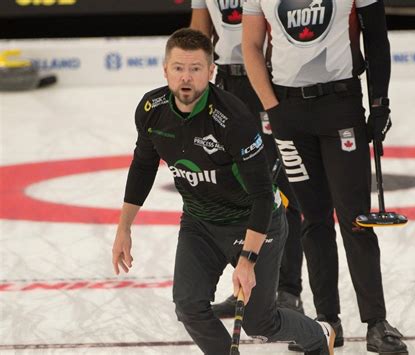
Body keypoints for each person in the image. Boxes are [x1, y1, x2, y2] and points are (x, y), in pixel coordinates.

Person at [111, 28, 335, 355]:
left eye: (196, 68)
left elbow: (261, 194)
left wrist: (247, 259)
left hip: (255, 222)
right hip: (200, 222)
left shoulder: (232, 118)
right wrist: (124, 227)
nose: (186, 77)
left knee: (260, 323)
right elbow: (143, 166)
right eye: (178, 68)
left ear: (211, 71)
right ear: (165, 70)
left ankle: (318, 333)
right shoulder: (151, 110)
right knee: (188, 306)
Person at [241, 1, 408, 354]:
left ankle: (376, 323)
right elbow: (251, 47)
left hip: (340, 104)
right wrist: (272, 108)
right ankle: (327, 322)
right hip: (288, 113)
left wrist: (380, 104)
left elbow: (376, 37)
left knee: (356, 219)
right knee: (313, 220)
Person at [189, 0, 305, 317]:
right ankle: (246, 287)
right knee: (235, 191)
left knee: (280, 189)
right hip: (225, 83)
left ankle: (288, 290)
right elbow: (199, 34)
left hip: (270, 81)